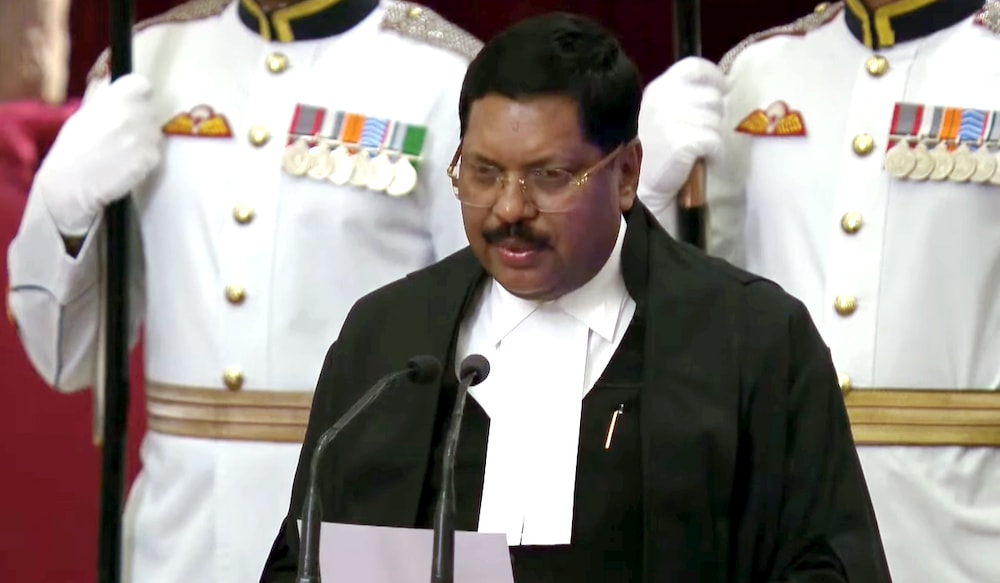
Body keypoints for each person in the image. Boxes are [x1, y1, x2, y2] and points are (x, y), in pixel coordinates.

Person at [260, 12, 890, 582]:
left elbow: (827, 564)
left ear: (626, 174)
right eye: (483, 173)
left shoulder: (753, 339)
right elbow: (305, 557)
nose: (510, 209)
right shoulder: (388, 337)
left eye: (549, 176)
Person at [5, 0, 481, 581]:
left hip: (364, 530)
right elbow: (65, 358)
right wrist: (62, 214)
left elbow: (498, 345)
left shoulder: (445, 78)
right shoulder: (145, 61)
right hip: (176, 540)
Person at [636, 1, 1000, 582]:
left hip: (967, 528)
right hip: (782, 521)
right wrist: (645, 199)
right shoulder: (759, 72)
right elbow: (700, 300)